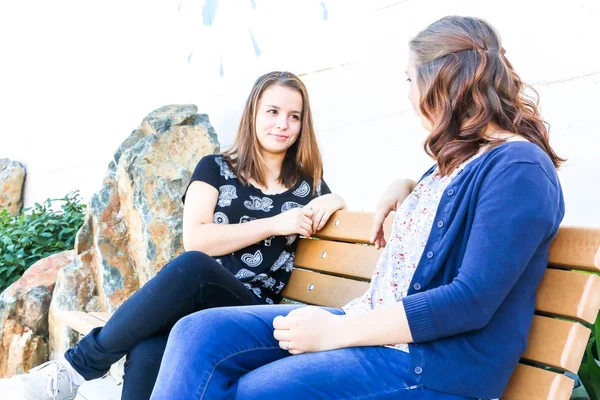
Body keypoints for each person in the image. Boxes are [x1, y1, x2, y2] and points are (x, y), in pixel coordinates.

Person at [149, 16, 565, 400]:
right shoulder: (460, 161)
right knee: (195, 333)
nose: (408, 93)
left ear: (440, 82)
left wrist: (337, 331)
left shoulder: (520, 168)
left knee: (255, 390)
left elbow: (471, 299)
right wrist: (406, 186)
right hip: (373, 324)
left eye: (409, 79)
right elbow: (453, 213)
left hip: (426, 365)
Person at [20, 71, 346, 400]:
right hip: (195, 305)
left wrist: (335, 199)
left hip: (254, 314)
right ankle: (78, 368)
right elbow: (197, 238)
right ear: (253, 114)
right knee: (149, 346)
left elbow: (334, 209)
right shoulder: (215, 168)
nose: (283, 124)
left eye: (294, 117)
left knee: (193, 267)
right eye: (273, 112)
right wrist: (276, 223)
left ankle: (78, 367)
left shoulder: (309, 186)